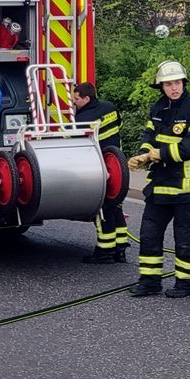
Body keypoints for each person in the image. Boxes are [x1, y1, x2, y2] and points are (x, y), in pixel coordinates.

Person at [126, 60, 190, 298]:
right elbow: (149, 135)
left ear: (183, 82)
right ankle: (150, 281)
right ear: (161, 86)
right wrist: (143, 154)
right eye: (168, 84)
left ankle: (186, 284)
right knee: (149, 234)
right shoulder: (158, 109)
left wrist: (159, 154)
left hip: (186, 188)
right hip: (160, 185)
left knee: (184, 239)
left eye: (177, 82)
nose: (174, 88)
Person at [73, 82, 128, 263]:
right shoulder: (110, 107)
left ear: (87, 98)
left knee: (102, 209)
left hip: (100, 167)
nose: (74, 102)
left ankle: (104, 251)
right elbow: (119, 125)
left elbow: (77, 144)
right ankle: (120, 248)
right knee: (116, 206)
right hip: (117, 166)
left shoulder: (83, 118)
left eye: (77, 99)